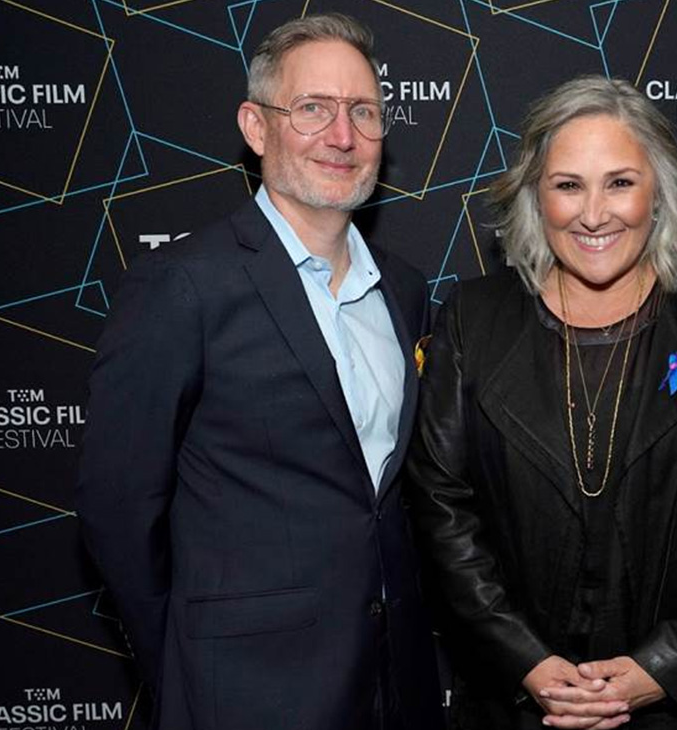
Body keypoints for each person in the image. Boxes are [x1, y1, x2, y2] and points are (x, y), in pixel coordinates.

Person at [76, 13, 443, 730]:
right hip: (246, 695)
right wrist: (189, 666)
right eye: (313, 109)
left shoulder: (404, 289)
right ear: (256, 126)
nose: (343, 136)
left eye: (363, 112)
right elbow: (118, 509)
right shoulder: (182, 286)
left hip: (396, 687)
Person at [404, 75, 677, 729]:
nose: (593, 213)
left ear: (659, 192)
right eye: (568, 185)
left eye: (620, 182)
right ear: (536, 194)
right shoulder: (474, 318)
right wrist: (526, 661)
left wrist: (661, 667)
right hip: (517, 707)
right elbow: (441, 505)